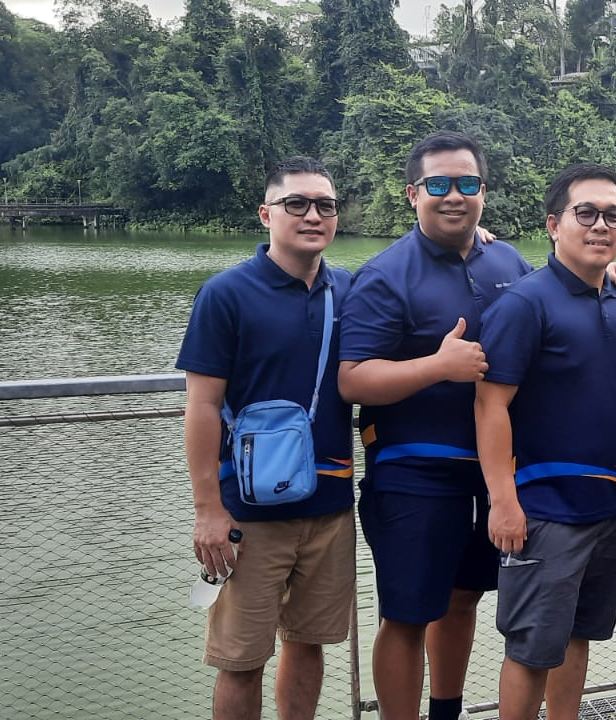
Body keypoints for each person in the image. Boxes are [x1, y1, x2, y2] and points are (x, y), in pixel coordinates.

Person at [337, 131, 529, 720]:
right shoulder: (387, 273)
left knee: (463, 599)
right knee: (406, 612)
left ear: (484, 192)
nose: (454, 196)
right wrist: (438, 366)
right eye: (439, 185)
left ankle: (447, 711)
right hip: (413, 473)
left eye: (467, 184)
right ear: (412, 194)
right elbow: (353, 379)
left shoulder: (506, 260)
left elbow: (551, 307)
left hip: (494, 475)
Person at [178, 156, 355, 720]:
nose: (312, 215)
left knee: (308, 643)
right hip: (248, 512)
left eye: (324, 205)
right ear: (266, 215)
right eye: (296, 204)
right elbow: (202, 405)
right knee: (242, 657)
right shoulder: (227, 294)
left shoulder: (349, 290)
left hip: (330, 504)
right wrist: (208, 510)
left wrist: (474, 233)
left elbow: (420, 276)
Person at [475, 163, 616, 720]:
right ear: (553, 223)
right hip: (544, 511)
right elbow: (490, 403)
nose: (600, 225)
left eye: (612, 215)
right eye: (585, 213)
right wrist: (503, 500)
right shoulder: (525, 303)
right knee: (530, 648)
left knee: (578, 637)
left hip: (608, 509)